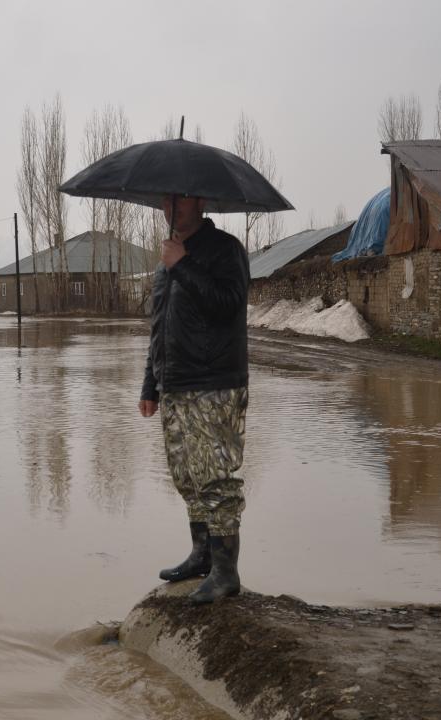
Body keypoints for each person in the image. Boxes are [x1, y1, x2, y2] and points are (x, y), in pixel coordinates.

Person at [139, 194, 250, 605]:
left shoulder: (225, 251)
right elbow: (159, 328)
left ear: (200, 202)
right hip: (175, 384)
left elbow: (228, 306)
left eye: (180, 202)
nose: (172, 210)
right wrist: (150, 385)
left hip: (215, 383)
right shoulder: (165, 264)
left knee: (216, 478)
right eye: (165, 204)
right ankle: (202, 555)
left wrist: (182, 265)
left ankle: (226, 572)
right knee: (186, 476)